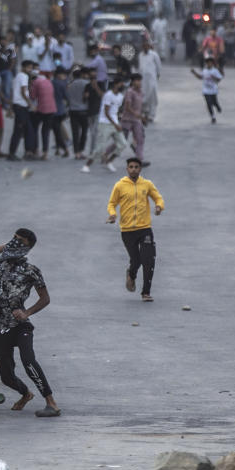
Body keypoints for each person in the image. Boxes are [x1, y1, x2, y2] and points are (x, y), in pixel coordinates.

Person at [0, 229, 61, 418]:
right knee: (6, 377)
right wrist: (5, 246)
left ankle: (51, 403)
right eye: (13, 239)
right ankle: (25, 394)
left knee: (28, 360)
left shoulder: (31, 271)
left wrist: (27, 312)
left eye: (19, 241)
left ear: (28, 247)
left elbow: (45, 298)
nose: (14, 243)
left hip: (20, 326)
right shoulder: (1, 266)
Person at [107, 157, 165, 302]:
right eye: (131, 167)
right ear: (127, 169)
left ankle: (146, 292)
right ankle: (131, 274)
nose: (133, 169)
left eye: (136, 167)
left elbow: (158, 198)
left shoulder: (147, 184)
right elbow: (112, 204)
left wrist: (159, 207)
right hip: (127, 230)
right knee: (136, 260)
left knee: (148, 260)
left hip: (145, 228)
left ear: (140, 169)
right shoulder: (120, 186)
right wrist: (113, 215)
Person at [82, 79, 127, 173]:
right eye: (120, 83)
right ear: (115, 84)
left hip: (114, 122)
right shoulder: (109, 95)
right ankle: (87, 165)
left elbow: (117, 110)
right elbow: (106, 112)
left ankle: (109, 161)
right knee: (100, 147)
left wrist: (118, 122)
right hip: (105, 123)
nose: (122, 86)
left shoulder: (120, 96)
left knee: (122, 144)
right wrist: (116, 124)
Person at [8, 60, 37, 161]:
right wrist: (31, 104)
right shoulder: (23, 76)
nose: (30, 70)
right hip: (21, 106)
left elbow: (13, 91)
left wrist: (10, 107)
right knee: (19, 130)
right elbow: (23, 92)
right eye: (29, 67)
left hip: (20, 106)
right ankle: (12, 153)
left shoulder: (18, 76)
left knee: (27, 130)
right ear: (24, 67)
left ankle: (28, 152)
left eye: (31, 68)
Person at [29, 67, 57, 159]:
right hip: (51, 109)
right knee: (46, 131)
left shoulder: (35, 82)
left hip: (41, 109)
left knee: (35, 128)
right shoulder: (48, 81)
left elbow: (32, 97)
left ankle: (35, 149)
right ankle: (45, 153)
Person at [120, 73, 147, 165]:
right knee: (121, 141)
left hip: (136, 120)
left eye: (140, 80)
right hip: (127, 120)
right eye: (137, 80)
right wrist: (136, 114)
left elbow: (140, 106)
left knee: (140, 139)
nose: (139, 82)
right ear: (133, 82)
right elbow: (127, 107)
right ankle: (106, 154)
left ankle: (139, 159)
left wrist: (142, 116)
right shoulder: (130, 92)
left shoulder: (141, 92)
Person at [66, 67, 91, 158]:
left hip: (73, 110)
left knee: (75, 132)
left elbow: (67, 97)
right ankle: (81, 150)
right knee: (84, 132)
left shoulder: (69, 85)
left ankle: (76, 152)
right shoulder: (86, 83)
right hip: (84, 110)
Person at [191, 57, 223, 123]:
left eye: (210, 63)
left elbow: (219, 79)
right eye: (208, 63)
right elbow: (200, 77)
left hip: (213, 90)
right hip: (206, 90)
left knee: (214, 102)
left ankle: (217, 107)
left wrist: (214, 77)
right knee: (208, 103)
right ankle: (213, 117)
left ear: (212, 64)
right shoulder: (204, 71)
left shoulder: (215, 71)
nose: (209, 64)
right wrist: (194, 73)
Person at [138, 40, 161, 123]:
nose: (145, 47)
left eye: (147, 46)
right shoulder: (140, 55)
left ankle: (152, 115)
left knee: (152, 97)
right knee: (143, 96)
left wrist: (157, 77)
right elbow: (140, 68)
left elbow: (158, 67)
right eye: (144, 46)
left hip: (152, 80)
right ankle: (145, 113)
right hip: (143, 80)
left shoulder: (154, 55)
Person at [51, 66, 71, 157]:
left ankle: (63, 149)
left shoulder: (51, 82)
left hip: (52, 110)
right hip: (60, 109)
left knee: (57, 131)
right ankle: (61, 149)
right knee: (57, 129)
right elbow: (66, 97)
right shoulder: (62, 84)